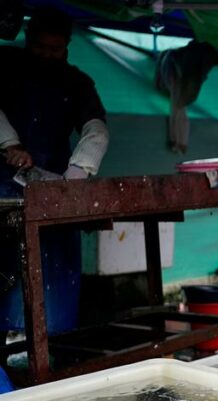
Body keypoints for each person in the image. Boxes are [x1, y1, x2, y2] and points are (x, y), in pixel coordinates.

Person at [0, 7, 109, 334]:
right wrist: (9, 144)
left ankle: (54, 348)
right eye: (39, 47)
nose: (46, 55)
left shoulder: (76, 82)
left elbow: (97, 129)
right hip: (4, 189)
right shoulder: (4, 65)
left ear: (67, 48)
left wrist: (75, 176)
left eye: (55, 49)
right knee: (8, 270)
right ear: (27, 39)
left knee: (54, 275)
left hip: (53, 194)